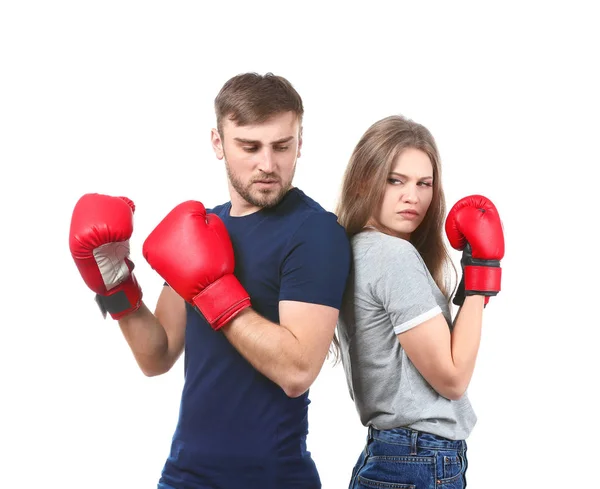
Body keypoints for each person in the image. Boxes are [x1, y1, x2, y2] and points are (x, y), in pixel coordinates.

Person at [68, 72, 351, 489]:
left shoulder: (315, 233)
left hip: (270, 479)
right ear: (218, 143)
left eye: (282, 146)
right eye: (249, 147)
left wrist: (212, 292)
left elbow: (297, 370)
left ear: (300, 142)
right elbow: (157, 356)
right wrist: (115, 286)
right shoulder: (201, 229)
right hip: (184, 474)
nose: (267, 164)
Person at [334, 115, 504, 488]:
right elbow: (453, 378)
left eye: (424, 183)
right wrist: (482, 273)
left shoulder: (354, 249)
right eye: (396, 180)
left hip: (394, 455)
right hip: (419, 459)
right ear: (365, 180)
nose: (413, 196)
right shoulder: (392, 255)